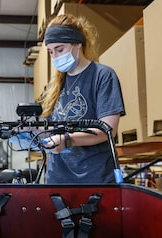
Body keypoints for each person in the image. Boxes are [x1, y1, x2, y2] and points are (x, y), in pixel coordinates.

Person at [38, 14, 125, 184]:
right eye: (50, 52)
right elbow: (46, 127)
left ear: (78, 44)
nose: (55, 57)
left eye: (60, 49)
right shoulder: (54, 86)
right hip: (58, 178)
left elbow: (108, 130)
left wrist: (68, 139)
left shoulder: (102, 75)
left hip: (94, 177)